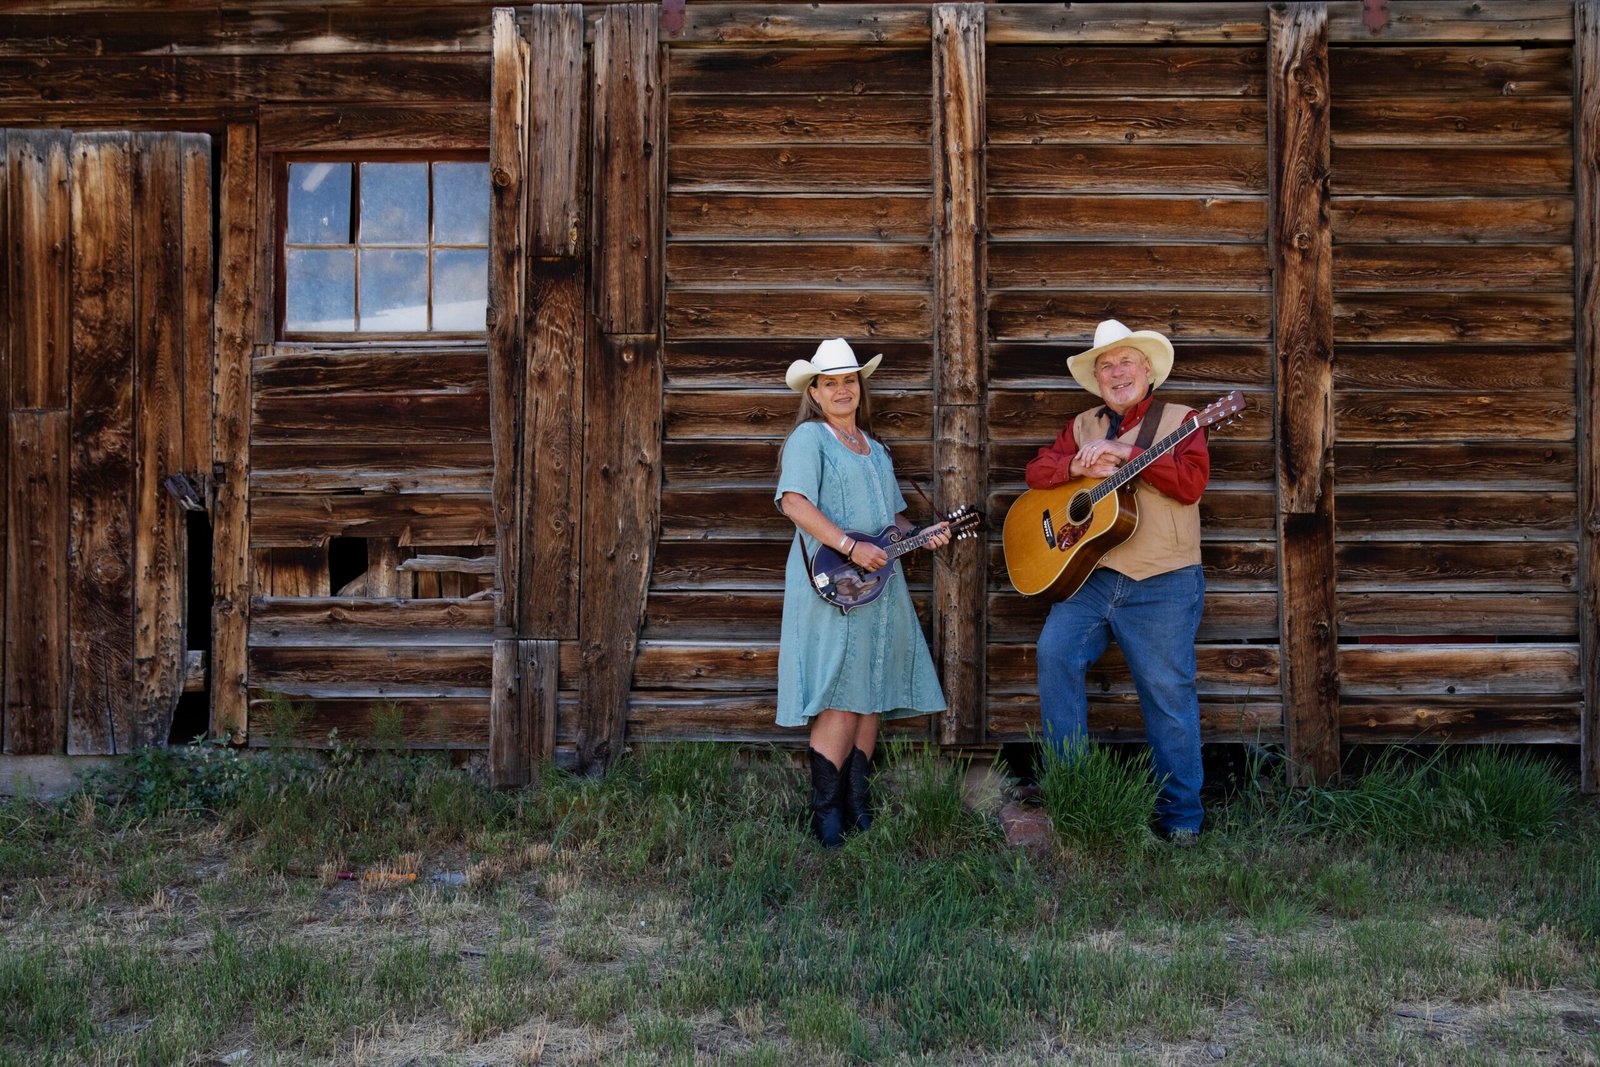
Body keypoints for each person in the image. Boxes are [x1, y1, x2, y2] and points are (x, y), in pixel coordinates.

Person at [1023, 319, 1210, 841]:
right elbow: (1038, 472)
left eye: (1126, 361)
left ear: (1147, 370)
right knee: (1054, 654)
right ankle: (1072, 795)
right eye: (1106, 365)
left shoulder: (1183, 420)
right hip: (1092, 576)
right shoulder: (1082, 425)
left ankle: (1181, 821)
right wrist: (1075, 472)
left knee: (1167, 693)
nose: (1117, 372)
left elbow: (1191, 484)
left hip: (1163, 579)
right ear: (1097, 378)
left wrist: (1131, 458)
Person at [775, 338, 951, 848]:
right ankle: (826, 815)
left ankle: (857, 805)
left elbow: (891, 522)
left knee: (870, 688)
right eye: (830, 382)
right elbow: (793, 503)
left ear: (860, 386)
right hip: (833, 581)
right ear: (815, 391)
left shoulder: (876, 450)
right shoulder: (811, 439)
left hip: (878, 584)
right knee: (839, 690)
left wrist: (923, 534)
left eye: (849, 380)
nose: (841, 389)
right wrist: (850, 546)